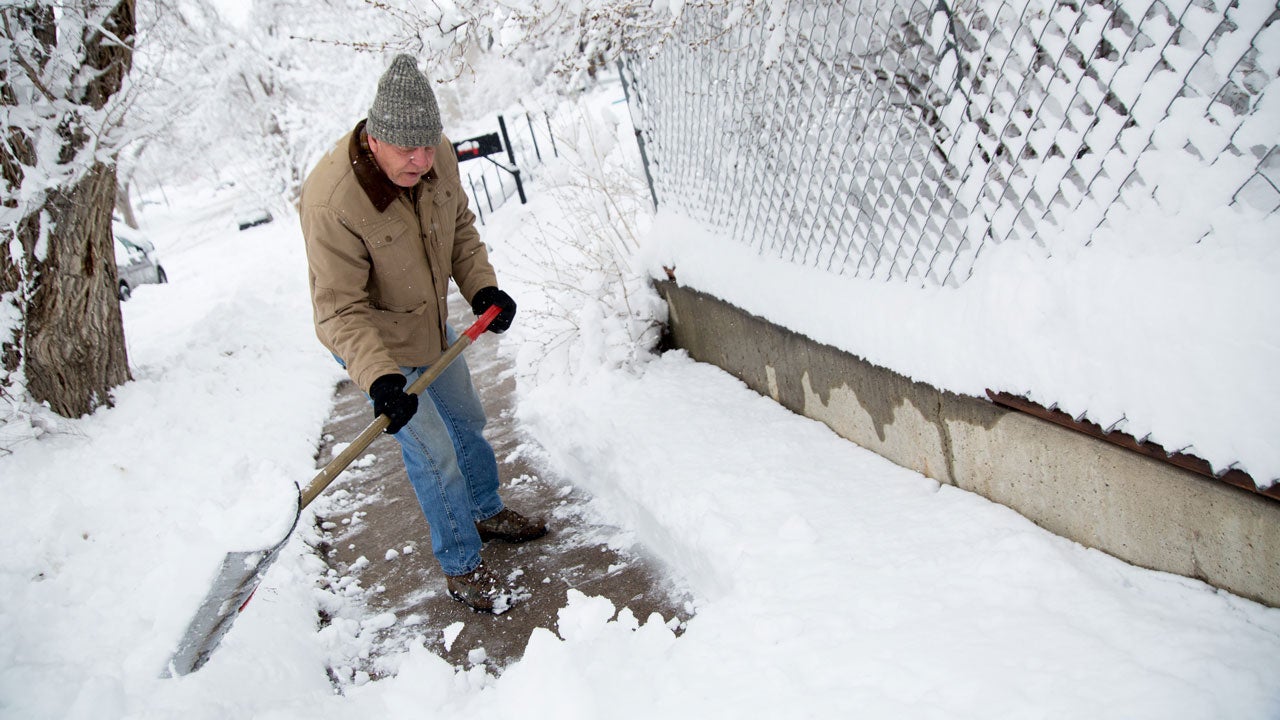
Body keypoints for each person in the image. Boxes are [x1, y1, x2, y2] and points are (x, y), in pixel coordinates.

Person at [299, 54, 546, 613]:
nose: (422, 159)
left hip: (429, 327)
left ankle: (485, 510)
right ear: (374, 140)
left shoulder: (435, 156)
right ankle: (461, 565)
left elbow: (459, 228)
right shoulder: (332, 201)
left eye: (428, 145)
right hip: (377, 346)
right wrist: (381, 379)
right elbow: (338, 311)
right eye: (407, 150)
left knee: (467, 421)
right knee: (435, 452)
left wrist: (481, 288)